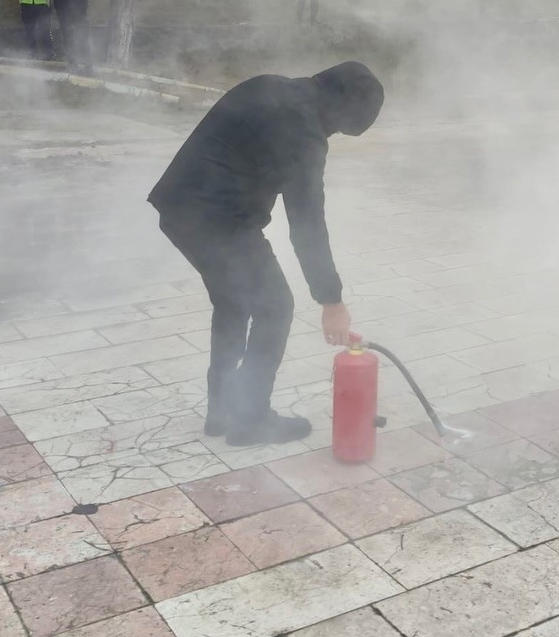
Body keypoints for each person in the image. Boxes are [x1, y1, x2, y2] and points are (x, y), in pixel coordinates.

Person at [147, 62, 385, 447]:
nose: (334, 134)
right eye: (342, 127)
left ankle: (222, 410)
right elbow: (306, 220)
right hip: (219, 220)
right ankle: (250, 419)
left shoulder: (270, 86)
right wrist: (331, 299)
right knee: (275, 307)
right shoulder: (304, 129)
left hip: (178, 209)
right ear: (341, 111)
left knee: (233, 303)